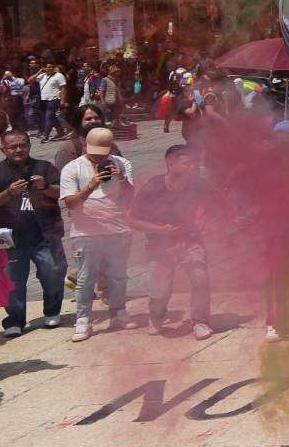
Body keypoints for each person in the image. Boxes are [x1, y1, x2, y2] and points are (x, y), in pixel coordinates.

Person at [0, 130, 65, 336]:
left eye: (23, 145)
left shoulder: (44, 167)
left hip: (44, 234)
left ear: (29, 146)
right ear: (3, 149)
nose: (18, 150)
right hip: (11, 238)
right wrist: (8, 193)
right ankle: (15, 321)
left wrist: (44, 187)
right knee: (13, 283)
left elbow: (60, 191)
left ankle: (52, 311)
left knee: (53, 273)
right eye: (13, 147)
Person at [127, 145, 212, 338]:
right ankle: (156, 317)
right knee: (160, 292)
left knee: (200, 277)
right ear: (170, 163)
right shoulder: (153, 186)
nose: (192, 166)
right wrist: (159, 230)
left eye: (193, 162)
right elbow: (131, 219)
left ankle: (200, 321)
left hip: (190, 240)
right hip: (160, 245)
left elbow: (212, 204)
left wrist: (203, 219)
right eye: (186, 162)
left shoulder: (197, 184)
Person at [58, 127, 134, 341]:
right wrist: (91, 185)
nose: (100, 157)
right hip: (85, 231)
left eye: (103, 152)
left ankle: (118, 311)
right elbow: (70, 203)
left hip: (117, 229)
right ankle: (83, 319)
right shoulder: (72, 168)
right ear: (85, 146)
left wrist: (122, 180)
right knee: (85, 277)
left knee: (118, 276)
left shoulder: (122, 164)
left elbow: (132, 196)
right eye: (95, 152)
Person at [37, 64, 68, 141]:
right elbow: (30, 80)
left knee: (49, 116)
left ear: (53, 68)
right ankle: (61, 132)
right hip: (44, 99)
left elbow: (63, 88)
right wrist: (38, 72)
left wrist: (63, 100)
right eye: (47, 67)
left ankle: (46, 135)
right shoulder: (42, 76)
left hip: (54, 98)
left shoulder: (59, 75)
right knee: (52, 117)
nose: (49, 68)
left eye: (51, 67)